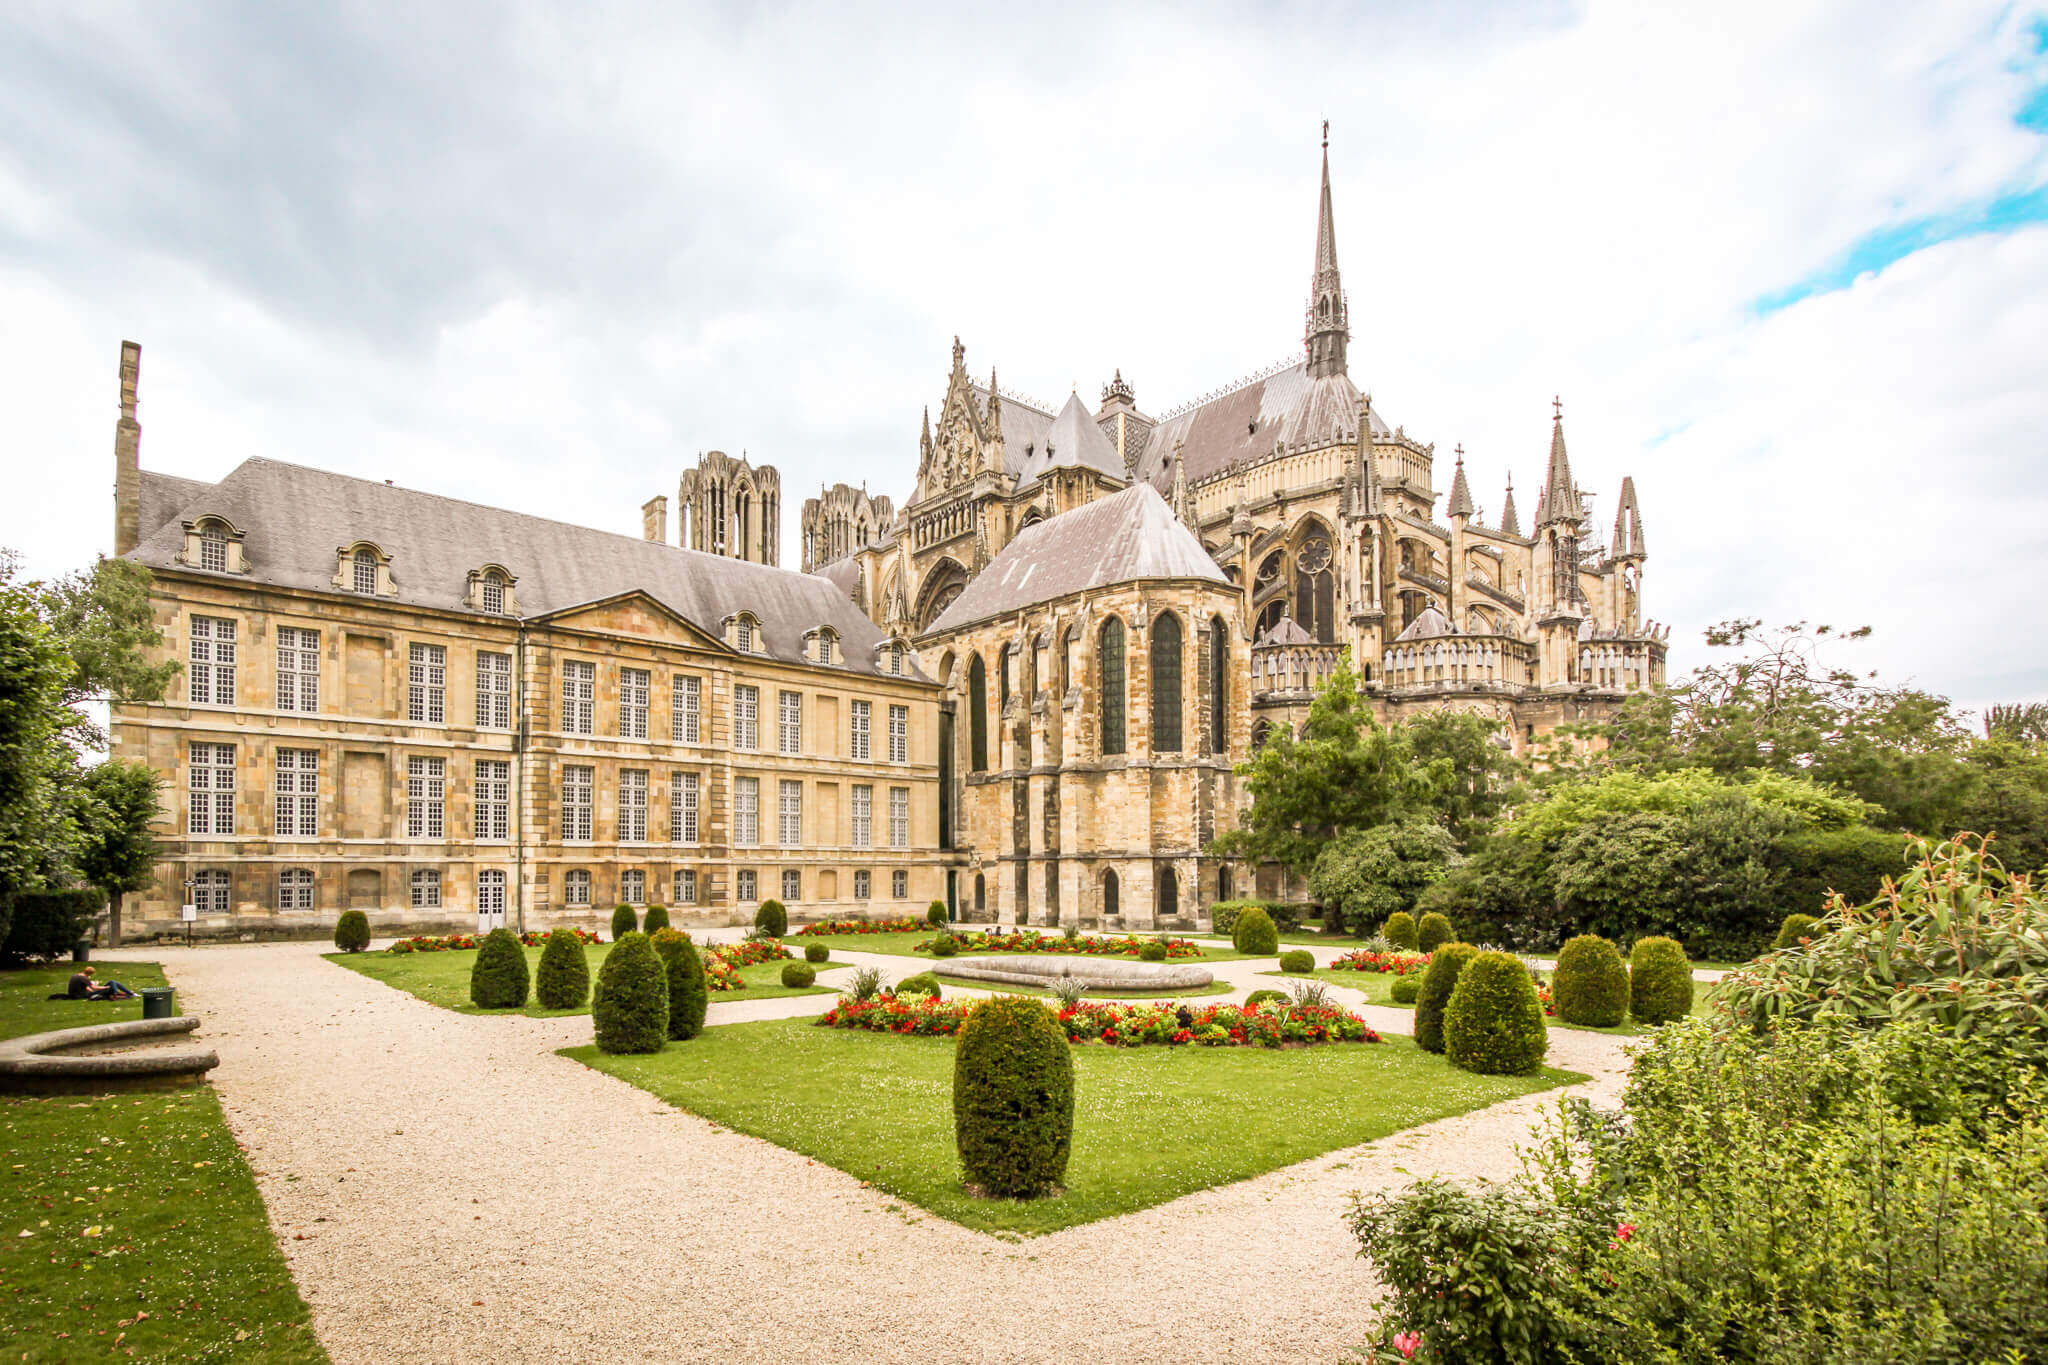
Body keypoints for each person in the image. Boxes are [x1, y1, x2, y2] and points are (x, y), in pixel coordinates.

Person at [66, 966, 137, 1002]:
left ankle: (122, 992)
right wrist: (105, 988)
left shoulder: (76, 975)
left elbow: (85, 987)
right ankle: (121, 993)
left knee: (113, 982)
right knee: (112, 983)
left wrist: (93, 988)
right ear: (90, 973)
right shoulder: (84, 978)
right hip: (82, 995)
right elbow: (94, 987)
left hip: (77, 994)